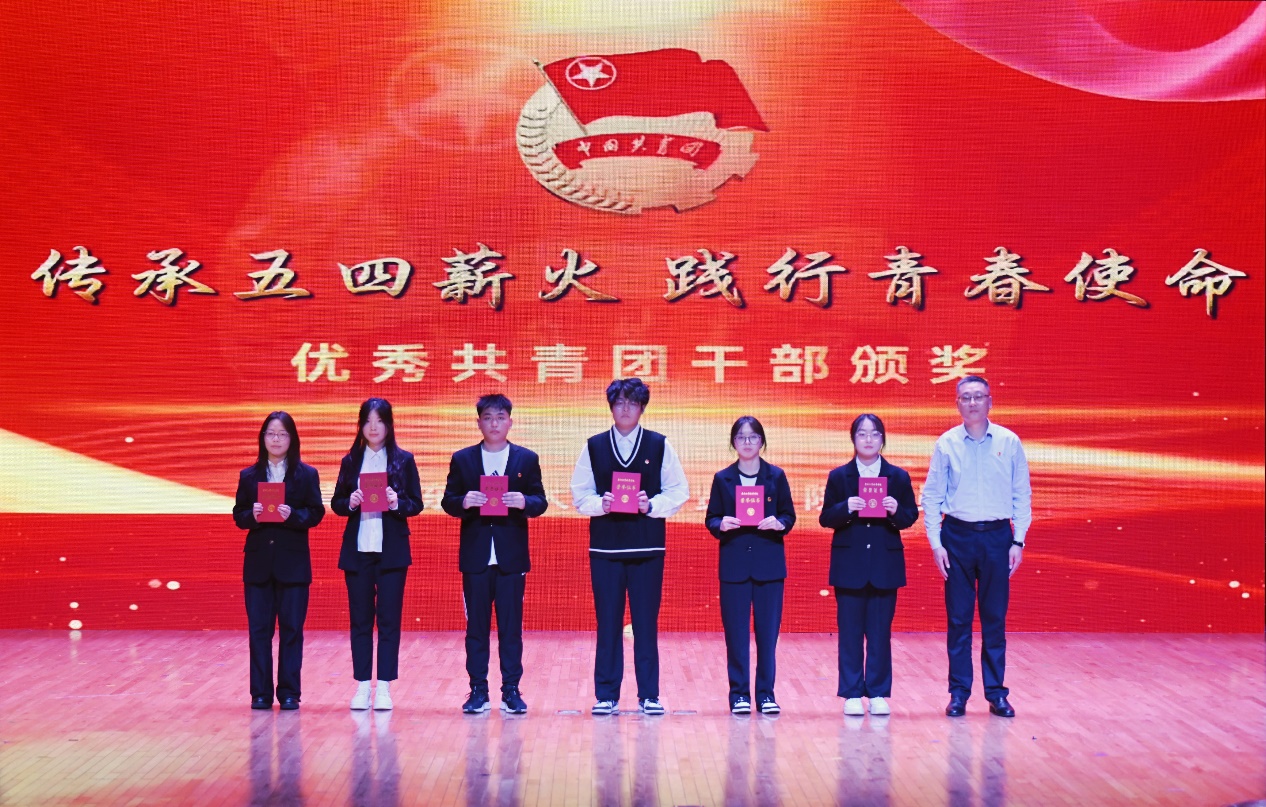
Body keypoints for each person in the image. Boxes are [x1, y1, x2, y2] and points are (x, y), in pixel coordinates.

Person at [570, 378, 689, 716]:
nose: (625, 409)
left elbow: (678, 491)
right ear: (611, 407)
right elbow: (580, 493)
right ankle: (606, 694)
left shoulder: (658, 444)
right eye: (619, 402)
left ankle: (649, 694)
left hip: (647, 548)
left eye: (632, 403)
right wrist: (601, 504)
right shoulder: (594, 445)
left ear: (642, 408)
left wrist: (651, 505)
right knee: (607, 623)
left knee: (645, 624)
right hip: (606, 550)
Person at [921, 376, 1031, 718]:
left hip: (998, 537)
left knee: (994, 618)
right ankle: (959, 693)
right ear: (957, 404)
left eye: (978, 397)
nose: (972, 403)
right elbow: (932, 496)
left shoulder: (1009, 442)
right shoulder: (947, 443)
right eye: (966, 397)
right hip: (957, 536)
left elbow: (1022, 493)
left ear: (990, 401)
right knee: (959, 619)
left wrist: (1018, 539)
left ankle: (996, 693)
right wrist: (936, 543)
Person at [441, 394, 548, 715]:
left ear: (510, 422)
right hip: (476, 557)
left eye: (500, 417)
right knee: (476, 629)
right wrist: (464, 502)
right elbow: (448, 501)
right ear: (479, 423)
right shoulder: (463, 459)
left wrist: (524, 502)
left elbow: (540, 501)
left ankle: (511, 690)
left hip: (510, 558)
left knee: (510, 629)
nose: (494, 424)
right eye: (488, 418)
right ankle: (478, 690)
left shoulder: (525, 459)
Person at [819, 414, 918, 716]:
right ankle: (851, 693)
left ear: (882, 439)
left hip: (884, 565)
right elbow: (826, 518)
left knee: (879, 633)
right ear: (853, 439)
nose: (868, 439)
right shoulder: (840, 476)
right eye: (862, 434)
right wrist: (846, 507)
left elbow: (910, 517)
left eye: (874, 434)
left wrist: (895, 510)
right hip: (849, 565)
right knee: (849, 633)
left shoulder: (897, 477)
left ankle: (877, 692)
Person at [331, 398, 424, 711]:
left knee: (388, 620)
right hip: (358, 551)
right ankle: (362, 686)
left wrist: (396, 502)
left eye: (379, 421)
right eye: (368, 421)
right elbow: (337, 503)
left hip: (391, 552)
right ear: (360, 425)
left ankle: (383, 686)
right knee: (360, 621)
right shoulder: (350, 461)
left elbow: (416, 504)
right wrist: (351, 502)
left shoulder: (403, 460)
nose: (373, 427)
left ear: (389, 425)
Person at [232, 411, 325, 711]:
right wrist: (253, 516)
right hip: (258, 565)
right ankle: (260, 693)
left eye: (282, 434)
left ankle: (289, 693)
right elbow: (238, 515)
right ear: (263, 438)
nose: (276, 439)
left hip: (293, 566)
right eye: (271, 433)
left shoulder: (306, 474)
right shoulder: (249, 476)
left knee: (292, 631)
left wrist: (293, 516)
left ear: (292, 438)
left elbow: (316, 512)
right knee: (259, 631)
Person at [704, 416, 796, 715]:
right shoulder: (723, 479)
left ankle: (766, 694)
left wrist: (778, 523)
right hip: (734, 566)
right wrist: (721, 524)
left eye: (753, 437)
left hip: (769, 566)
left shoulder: (776, 476)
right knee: (736, 636)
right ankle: (739, 694)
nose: (747, 442)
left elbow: (789, 516)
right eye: (741, 437)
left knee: (768, 636)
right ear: (733, 443)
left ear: (762, 442)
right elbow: (711, 518)